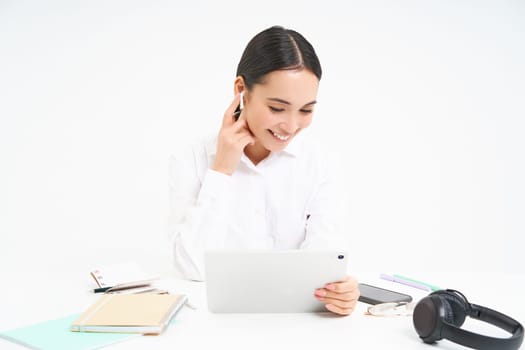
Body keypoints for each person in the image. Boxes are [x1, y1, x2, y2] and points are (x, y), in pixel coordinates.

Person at [168, 25, 360, 316]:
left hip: (296, 325)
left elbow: (324, 264)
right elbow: (191, 268)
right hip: (213, 330)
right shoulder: (193, 158)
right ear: (241, 90)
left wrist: (339, 292)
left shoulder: (320, 163)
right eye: (277, 108)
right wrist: (221, 170)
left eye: (306, 110)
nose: (291, 125)